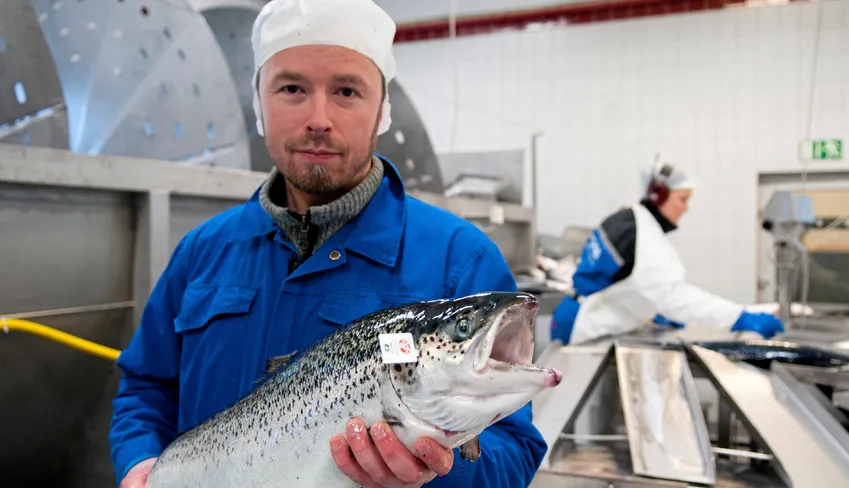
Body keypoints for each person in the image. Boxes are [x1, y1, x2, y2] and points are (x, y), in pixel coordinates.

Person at [108, 0, 546, 487]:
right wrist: (140, 462)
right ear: (258, 103)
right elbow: (145, 389)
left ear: (381, 109)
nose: (319, 118)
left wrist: (433, 473)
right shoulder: (202, 252)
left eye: (346, 90)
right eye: (292, 87)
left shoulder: (459, 262)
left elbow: (514, 453)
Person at [550, 160, 785, 345]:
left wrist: (650, 310)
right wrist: (738, 317)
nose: (686, 208)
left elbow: (625, 282)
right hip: (588, 327)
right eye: (682, 199)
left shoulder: (629, 220)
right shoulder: (643, 233)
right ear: (658, 195)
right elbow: (673, 296)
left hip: (574, 316)